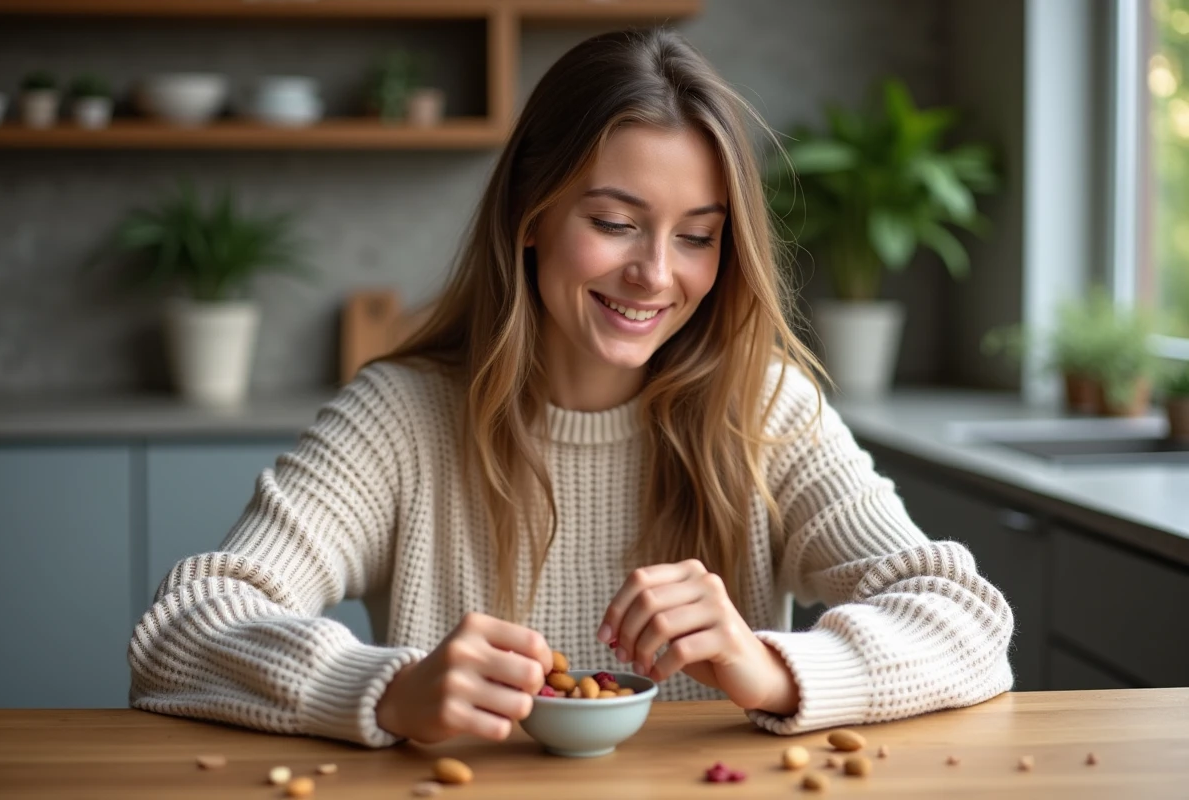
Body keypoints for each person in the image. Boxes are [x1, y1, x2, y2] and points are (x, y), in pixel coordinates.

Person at [128, 27, 1013, 748]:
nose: (655, 274)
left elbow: (967, 623)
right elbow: (182, 629)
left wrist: (772, 668)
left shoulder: (765, 409)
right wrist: (387, 689)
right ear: (530, 214)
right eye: (615, 223)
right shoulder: (399, 417)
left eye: (697, 236)